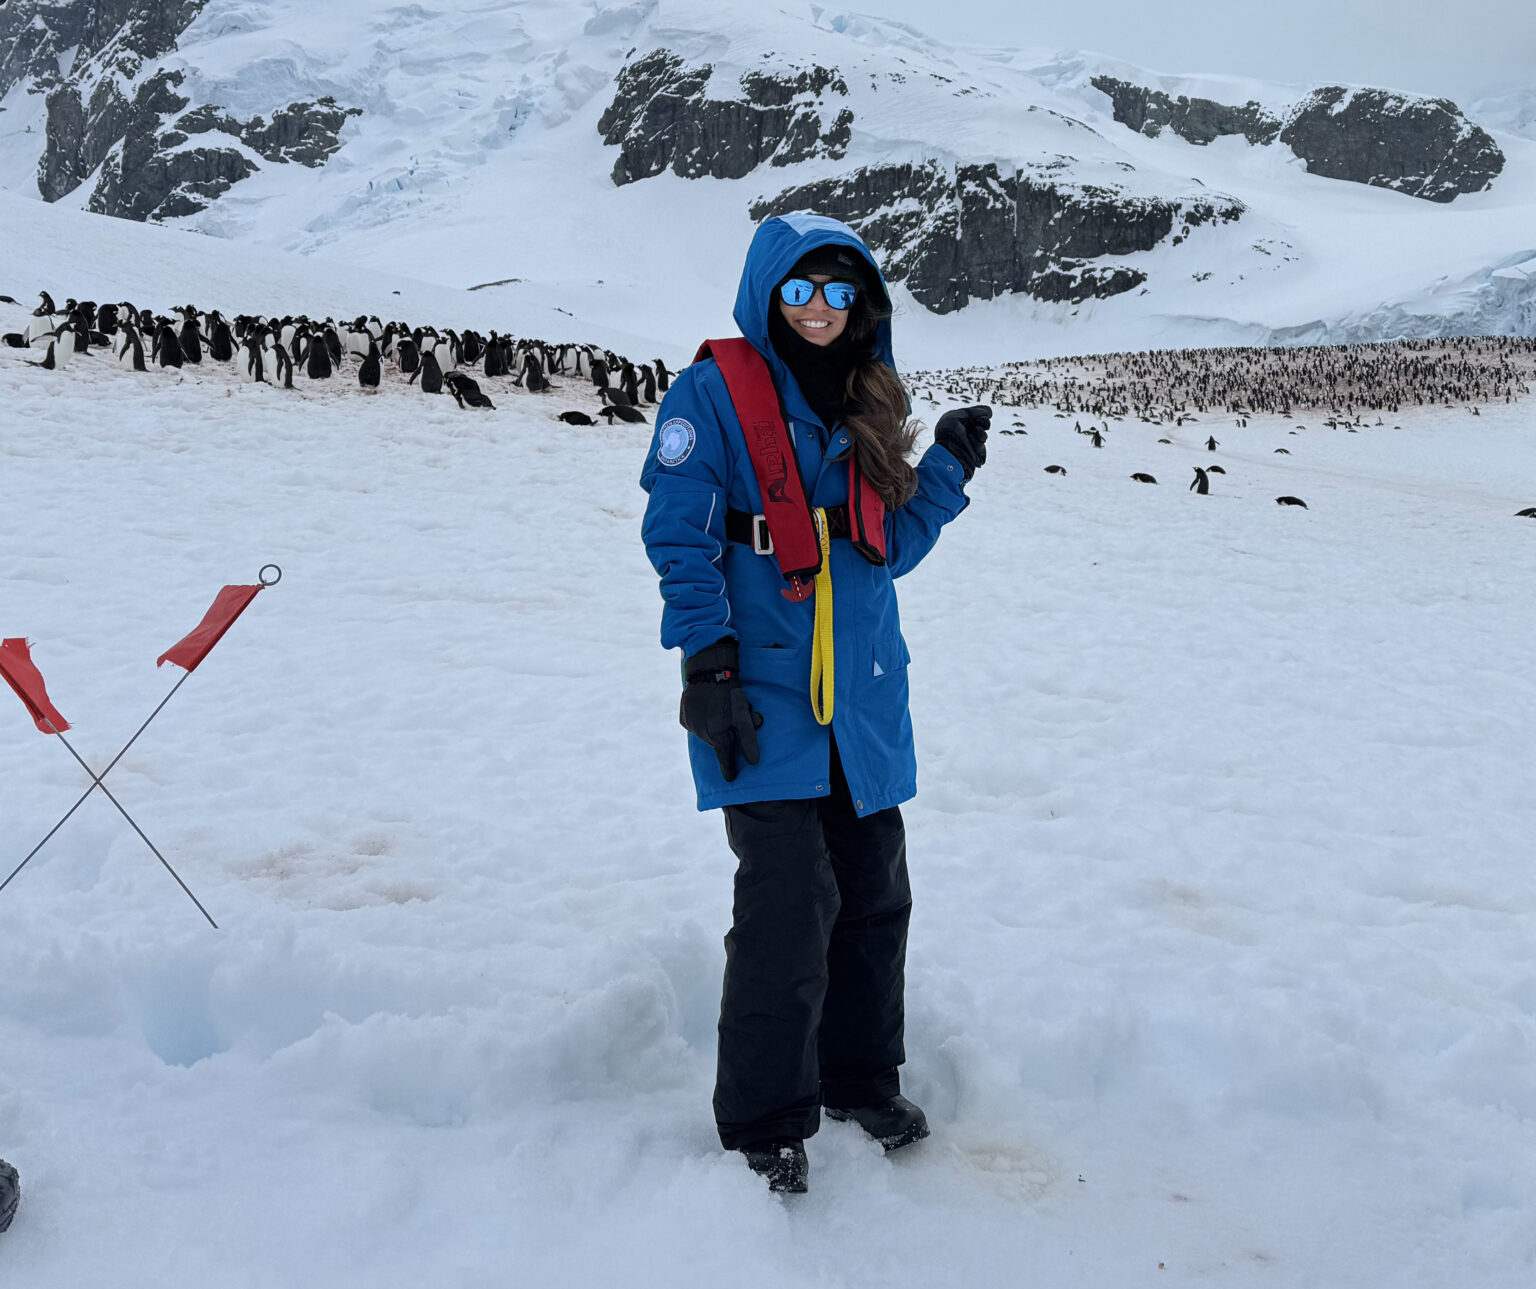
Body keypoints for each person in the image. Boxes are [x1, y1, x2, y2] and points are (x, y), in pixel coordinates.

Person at [639, 213, 990, 1193]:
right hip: (765, 695)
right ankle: (764, 1116)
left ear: (863, 302)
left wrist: (948, 470)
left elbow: (888, 550)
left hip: (866, 698)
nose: (820, 310)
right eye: (801, 290)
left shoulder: (870, 399)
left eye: (839, 292)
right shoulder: (711, 395)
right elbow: (681, 534)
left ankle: (859, 1076)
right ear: (768, 294)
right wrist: (706, 667)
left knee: (876, 893)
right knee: (790, 900)